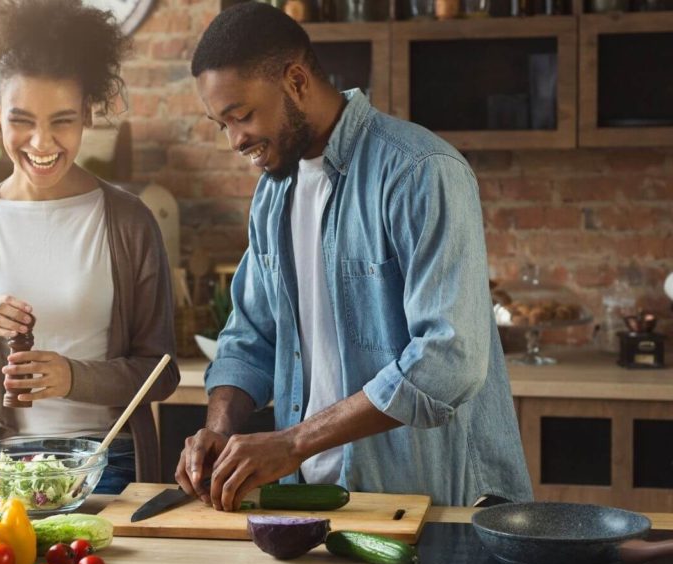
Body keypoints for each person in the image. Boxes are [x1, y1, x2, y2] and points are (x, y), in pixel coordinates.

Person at [175, 2, 532, 509]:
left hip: (430, 502)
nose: (235, 140)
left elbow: (448, 359)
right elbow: (249, 336)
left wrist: (293, 443)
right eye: (221, 124)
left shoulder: (420, 171)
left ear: (296, 81)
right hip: (311, 500)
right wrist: (218, 429)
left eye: (243, 115)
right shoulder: (274, 194)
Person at [0, 0, 179, 494]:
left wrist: (73, 378)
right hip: (1, 468)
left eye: (63, 120)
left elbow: (162, 374)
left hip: (107, 463)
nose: (42, 143)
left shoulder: (129, 221)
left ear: (87, 113)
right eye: (22, 119)